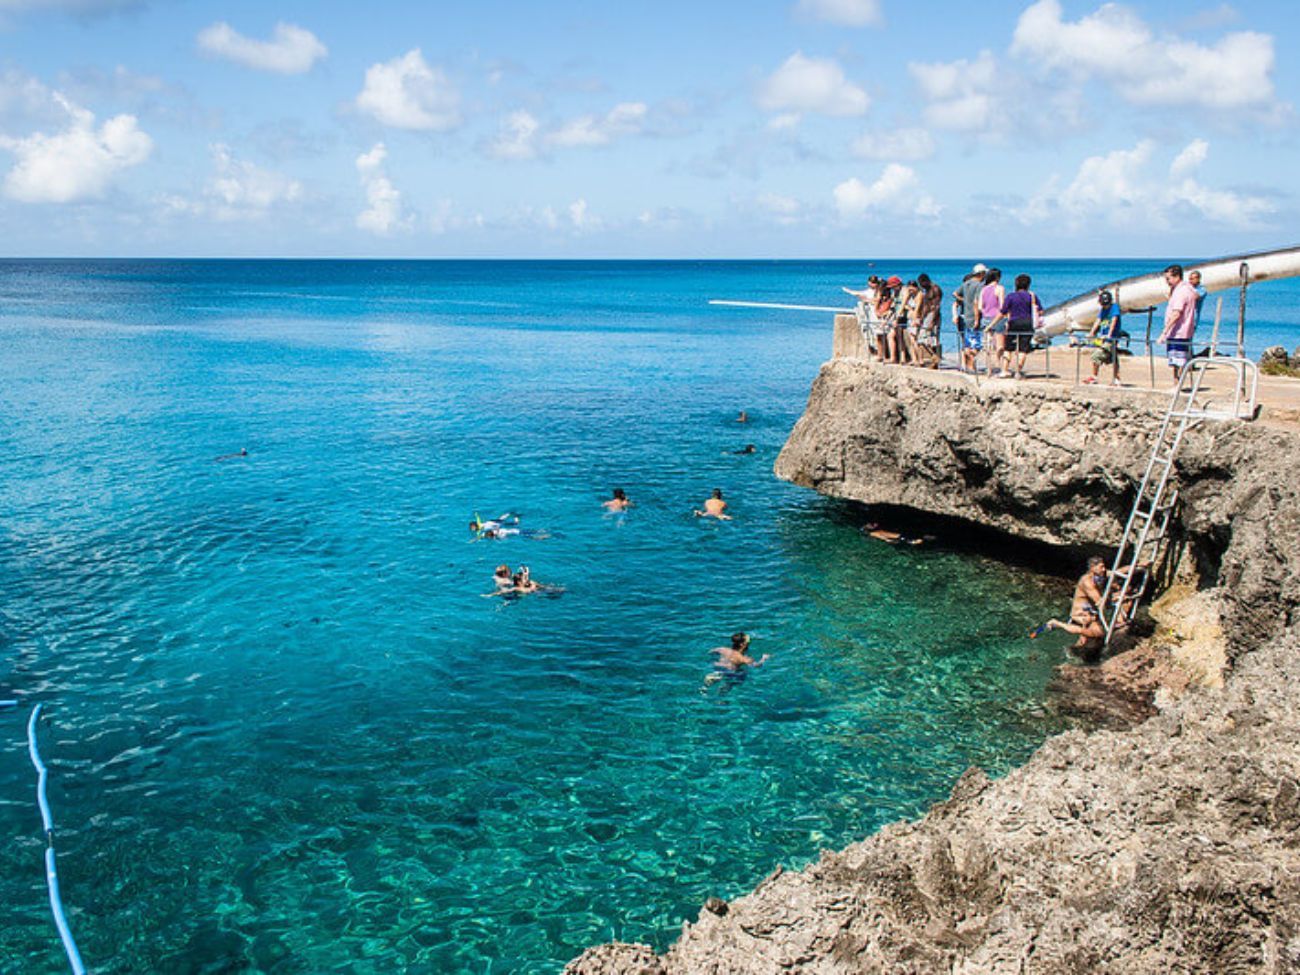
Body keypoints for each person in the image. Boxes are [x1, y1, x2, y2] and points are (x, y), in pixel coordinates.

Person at [994, 273, 1042, 380]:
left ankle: (1004, 371)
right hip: (1027, 323)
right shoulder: (1032, 296)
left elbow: (1003, 312)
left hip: (1014, 323)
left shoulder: (1011, 296)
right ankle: (1018, 372)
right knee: (1023, 349)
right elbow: (1040, 311)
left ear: (1016, 284)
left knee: (1008, 348)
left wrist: (992, 324)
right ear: (1028, 285)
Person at [1157, 264, 1199, 382]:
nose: (1167, 282)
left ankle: (1177, 384)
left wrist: (1164, 332)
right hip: (1183, 331)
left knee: (1178, 360)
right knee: (1177, 360)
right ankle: (1177, 383)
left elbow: (1176, 313)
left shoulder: (1182, 292)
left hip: (1178, 331)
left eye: (1168, 279)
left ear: (1177, 277)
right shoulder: (1188, 289)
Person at [703, 632, 770, 691]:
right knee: (743, 674)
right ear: (742, 644)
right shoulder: (744, 659)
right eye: (748, 641)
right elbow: (757, 665)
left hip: (718, 667)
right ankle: (723, 692)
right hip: (730, 672)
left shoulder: (723, 649)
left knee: (711, 680)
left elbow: (711, 651)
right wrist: (764, 658)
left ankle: (706, 687)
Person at [1085, 289, 1123, 386]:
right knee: (1113, 358)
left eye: (1106, 304)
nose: (1104, 306)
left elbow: (1114, 320)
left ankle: (1094, 377)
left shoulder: (1114, 307)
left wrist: (1110, 334)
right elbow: (1098, 321)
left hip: (1111, 339)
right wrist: (1091, 333)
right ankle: (1116, 379)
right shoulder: (1103, 310)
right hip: (1103, 338)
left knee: (1096, 356)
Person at [978, 268, 1006, 376]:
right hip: (997, 318)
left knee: (988, 346)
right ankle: (999, 366)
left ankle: (989, 368)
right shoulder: (1000, 288)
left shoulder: (983, 289)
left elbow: (980, 307)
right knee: (1000, 346)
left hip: (985, 318)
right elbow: (1002, 306)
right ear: (998, 277)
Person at [959, 264, 986, 373]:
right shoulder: (979, 285)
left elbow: (955, 293)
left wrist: (964, 301)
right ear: (981, 274)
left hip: (966, 315)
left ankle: (968, 366)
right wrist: (977, 319)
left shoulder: (966, 284)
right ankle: (970, 366)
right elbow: (976, 302)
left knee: (968, 343)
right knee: (977, 344)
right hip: (974, 317)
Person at [914, 273, 943, 368]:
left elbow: (936, 306)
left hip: (933, 317)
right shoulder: (926, 290)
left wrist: (932, 322)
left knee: (931, 339)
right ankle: (933, 359)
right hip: (927, 316)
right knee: (921, 339)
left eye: (921, 284)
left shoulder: (935, 289)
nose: (921, 286)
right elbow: (926, 306)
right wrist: (921, 318)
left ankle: (935, 359)